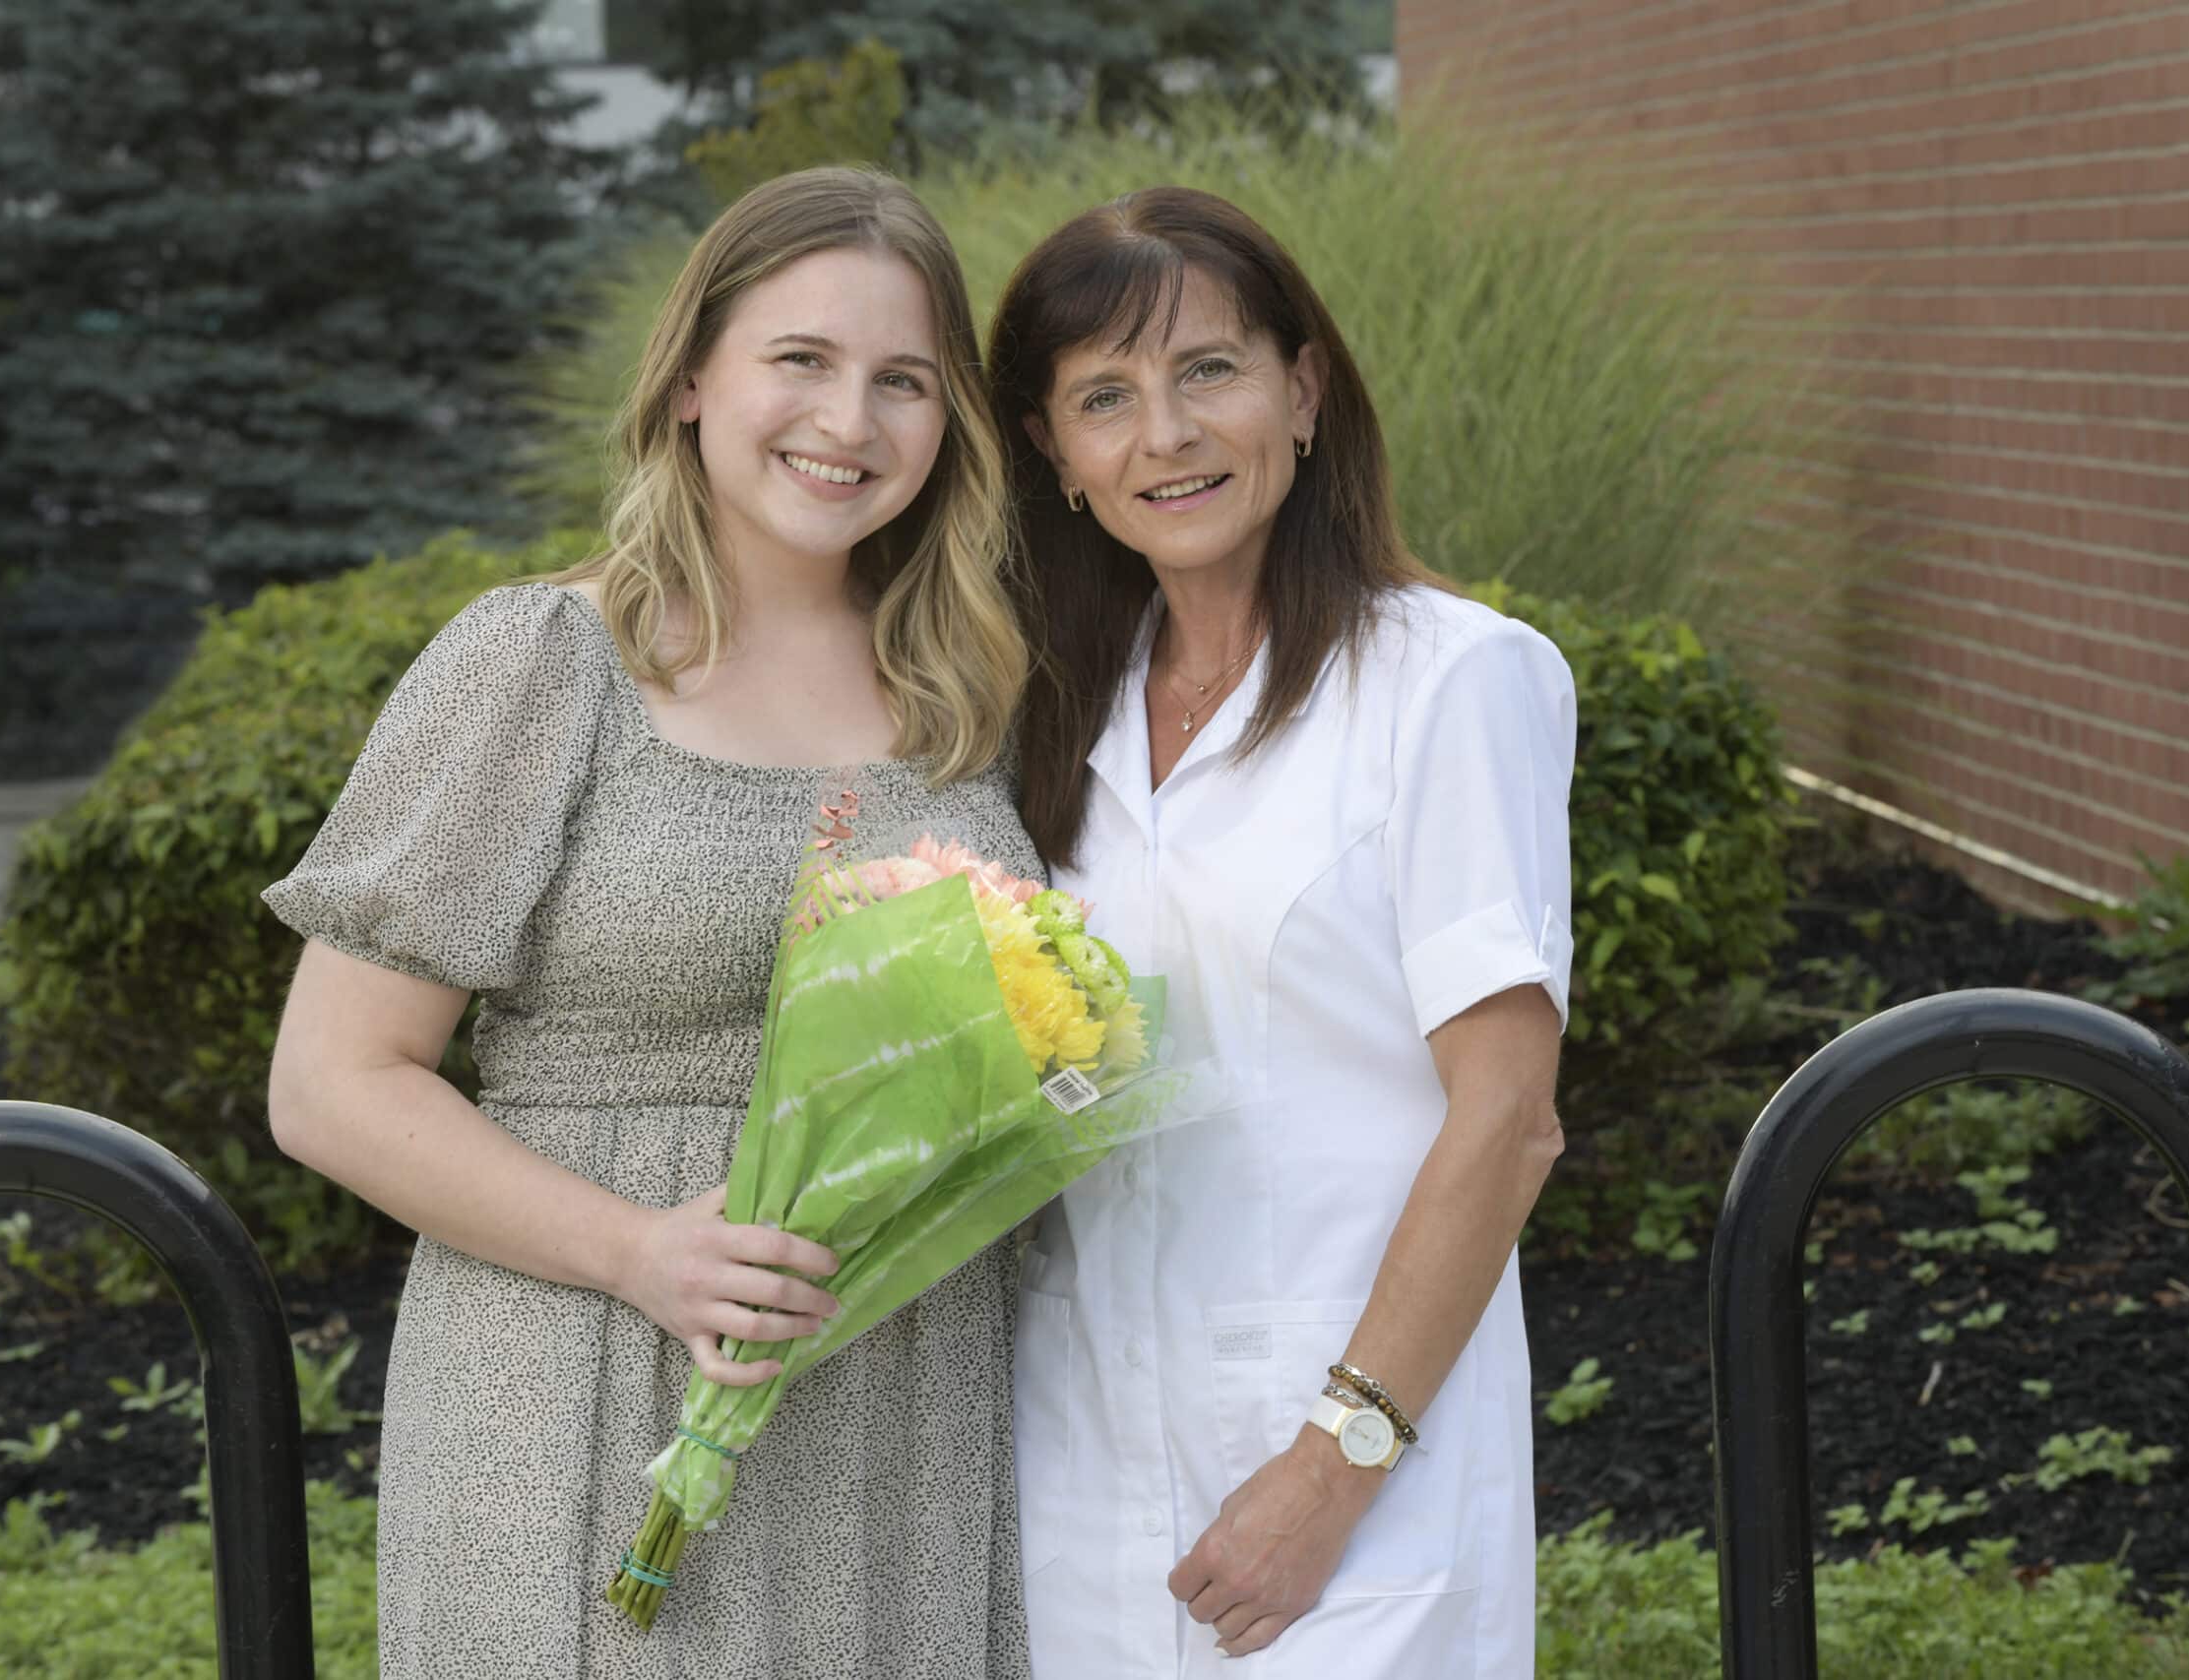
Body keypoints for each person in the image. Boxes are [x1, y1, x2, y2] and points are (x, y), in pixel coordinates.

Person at [262, 165, 1037, 1679]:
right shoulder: (545, 661)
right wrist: (636, 1253)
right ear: (692, 378)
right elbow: (329, 1084)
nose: (849, 422)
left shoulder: (971, 695)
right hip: (587, 1381)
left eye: (905, 382)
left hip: (899, 1404)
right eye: (799, 361)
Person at [986, 186, 1575, 1677]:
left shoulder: (1452, 684)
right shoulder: (1045, 716)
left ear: (1302, 392)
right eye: (1104, 398)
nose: (1165, 436)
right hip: (1082, 1467)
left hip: (1361, 1485)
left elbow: (1506, 1120)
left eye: (1208, 371)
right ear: (1056, 456)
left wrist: (1337, 1464)